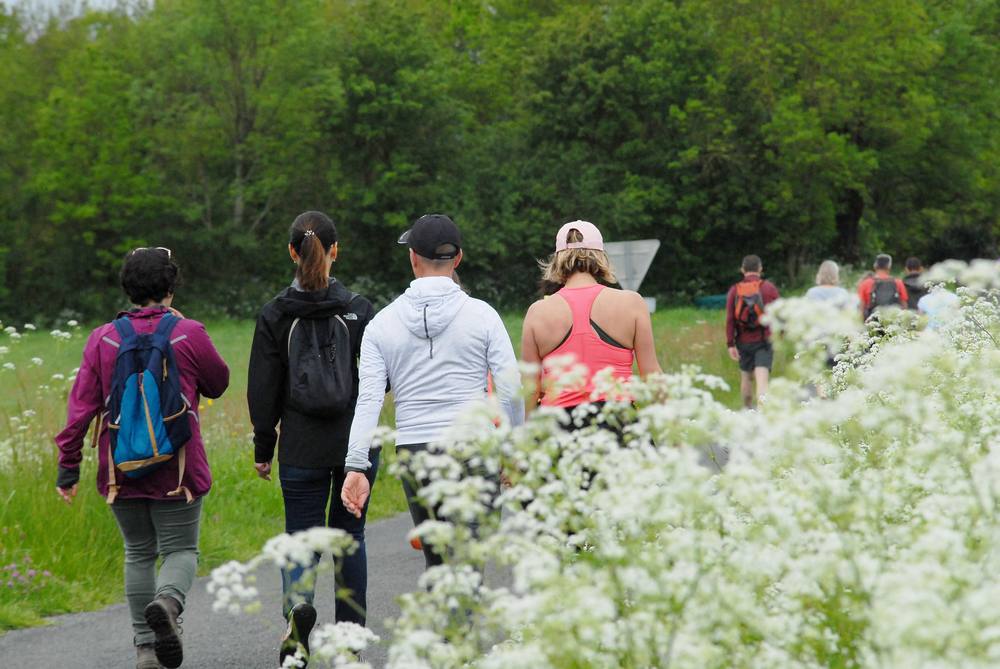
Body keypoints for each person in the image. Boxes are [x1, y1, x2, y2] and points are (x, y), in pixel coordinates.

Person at [55, 247, 230, 669]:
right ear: (170, 287)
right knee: (181, 550)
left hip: (120, 468)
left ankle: (145, 648)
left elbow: (82, 407)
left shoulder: (103, 338)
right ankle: (168, 605)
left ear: (128, 288)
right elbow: (219, 382)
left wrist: (68, 465)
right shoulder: (188, 332)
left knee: (137, 551)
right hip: (180, 466)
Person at [340, 214, 524, 569]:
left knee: (439, 565)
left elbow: (370, 399)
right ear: (458, 259)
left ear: (412, 258)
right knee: (468, 566)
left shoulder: (382, 324)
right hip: (472, 445)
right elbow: (510, 387)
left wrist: (356, 465)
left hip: (416, 450)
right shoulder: (483, 315)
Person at [247, 211, 376, 668]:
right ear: (335, 249)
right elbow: (376, 380)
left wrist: (264, 448)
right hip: (353, 446)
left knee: (301, 540)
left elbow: (262, 390)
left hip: (300, 446)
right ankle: (349, 646)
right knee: (350, 538)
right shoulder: (360, 310)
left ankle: (296, 628)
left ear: (291, 251)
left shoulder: (275, 314)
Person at [520, 220, 661, 413]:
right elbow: (651, 375)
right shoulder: (632, 303)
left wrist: (529, 436)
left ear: (558, 259)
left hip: (559, 424)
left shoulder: (538, 312)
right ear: (600, 256)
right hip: (617, 419)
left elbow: (530, 390)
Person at [725, 255, 780, 409]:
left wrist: (730, 344)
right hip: (764, 341)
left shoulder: (734, 290)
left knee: (746, 378)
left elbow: (730, 319)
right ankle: (762, 415)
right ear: (760, 269)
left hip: (743, 342)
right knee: (762, 380)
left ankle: (747, 411)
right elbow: (780, 314)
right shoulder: (769, 288)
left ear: (742, 270)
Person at [857, 253, 908, 319]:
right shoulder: (898, 283)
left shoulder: (865, 283)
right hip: (893, 323)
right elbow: (904, 306)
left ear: (875, 266)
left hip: (871, 323)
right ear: (889, 267)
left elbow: (861, 307)